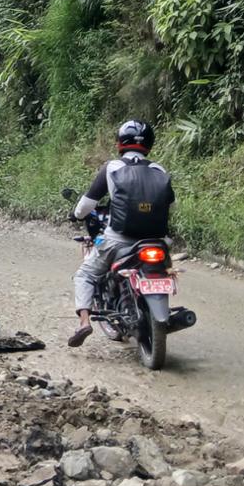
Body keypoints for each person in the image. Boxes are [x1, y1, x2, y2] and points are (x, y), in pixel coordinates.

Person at [67, 119, 174, 347]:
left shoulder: (112, 167)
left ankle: (84, 322)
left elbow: (85, 207)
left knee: (85, 274)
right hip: (157, 242)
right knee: (165, 270)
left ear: (120, 144)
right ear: (150, 145)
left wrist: (76, 215)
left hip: (118, 241)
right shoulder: (159, 170)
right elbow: (169, 205)